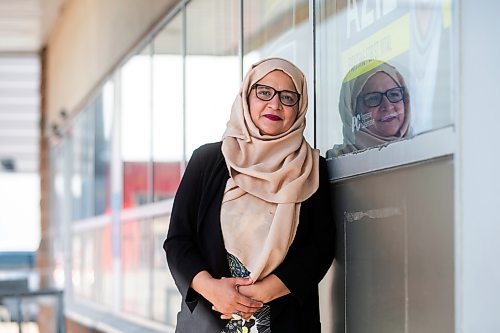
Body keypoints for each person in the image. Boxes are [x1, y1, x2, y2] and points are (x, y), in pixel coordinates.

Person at [164, 57, 335, 333]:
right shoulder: (207, 161)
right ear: (246, 96)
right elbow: (178, 242)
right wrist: (212, 289)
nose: (275, 104)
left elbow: (320, 248)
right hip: (209, 320)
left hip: (286, 322)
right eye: (264, 92)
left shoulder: (311, 169)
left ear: (300, 107)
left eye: (288, 97)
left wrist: (260, 294)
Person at [326, 59, 412, 157]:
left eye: (394, 94)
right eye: (374, 98)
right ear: (353, 110)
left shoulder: (421, 151)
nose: (387, 106)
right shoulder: (332, 165)